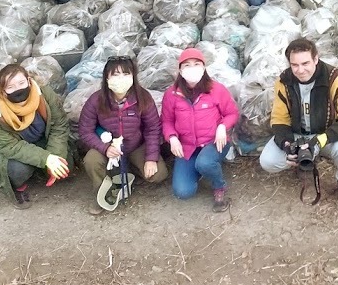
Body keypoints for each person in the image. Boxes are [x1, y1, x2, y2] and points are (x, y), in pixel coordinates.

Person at [260, 38, 338, 214]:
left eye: (305, 63)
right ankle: (302, 161)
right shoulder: (284, 81)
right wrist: (286, 144)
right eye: (295, 65)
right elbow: (279, 119)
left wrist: (321, 140)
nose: (300, 70)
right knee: (268, 161)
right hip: (298, 136)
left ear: (316, 59)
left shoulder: (335, 79)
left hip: (328, 135)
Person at [0, 64, 72, 209]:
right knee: (18, 170)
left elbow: (59, 124)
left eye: (21, 83)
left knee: (65, 162)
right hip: (11, 151)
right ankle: (19, 186)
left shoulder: (42, 94)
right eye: (10, 87)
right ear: (3, 90)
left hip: (40, 140)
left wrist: (56, 157)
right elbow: (8, 146)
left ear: (29, 81)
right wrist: (47, 158)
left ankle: (42, 170)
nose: (18, 89)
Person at [78, 57, 169, 215]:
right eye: (115, 74)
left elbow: (153, 128)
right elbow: (85, 130)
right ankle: (103, 193)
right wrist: (105, 148)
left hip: (135, 145)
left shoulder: (143, 98)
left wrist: (151, 158)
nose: (121, 79)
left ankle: (131, 172)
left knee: (159, 174)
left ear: (133, 76)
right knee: (91, 160)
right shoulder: (96, 100)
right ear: (107, 78)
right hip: (108, 146)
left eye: (126, 74)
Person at [160, 48, 239, 212]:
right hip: (187, 147)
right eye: (187, 65)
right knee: (183, 192)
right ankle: (201, 168)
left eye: (197, 64)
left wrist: (223, 127)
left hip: (214, 143)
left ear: (203, 68)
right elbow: (166, 121)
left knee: (205, 162)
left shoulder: (216, 89)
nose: (192, 68)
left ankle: (219, 186)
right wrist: (172, 138)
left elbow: (232, 113)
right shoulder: (171, 94)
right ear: (180, 70)